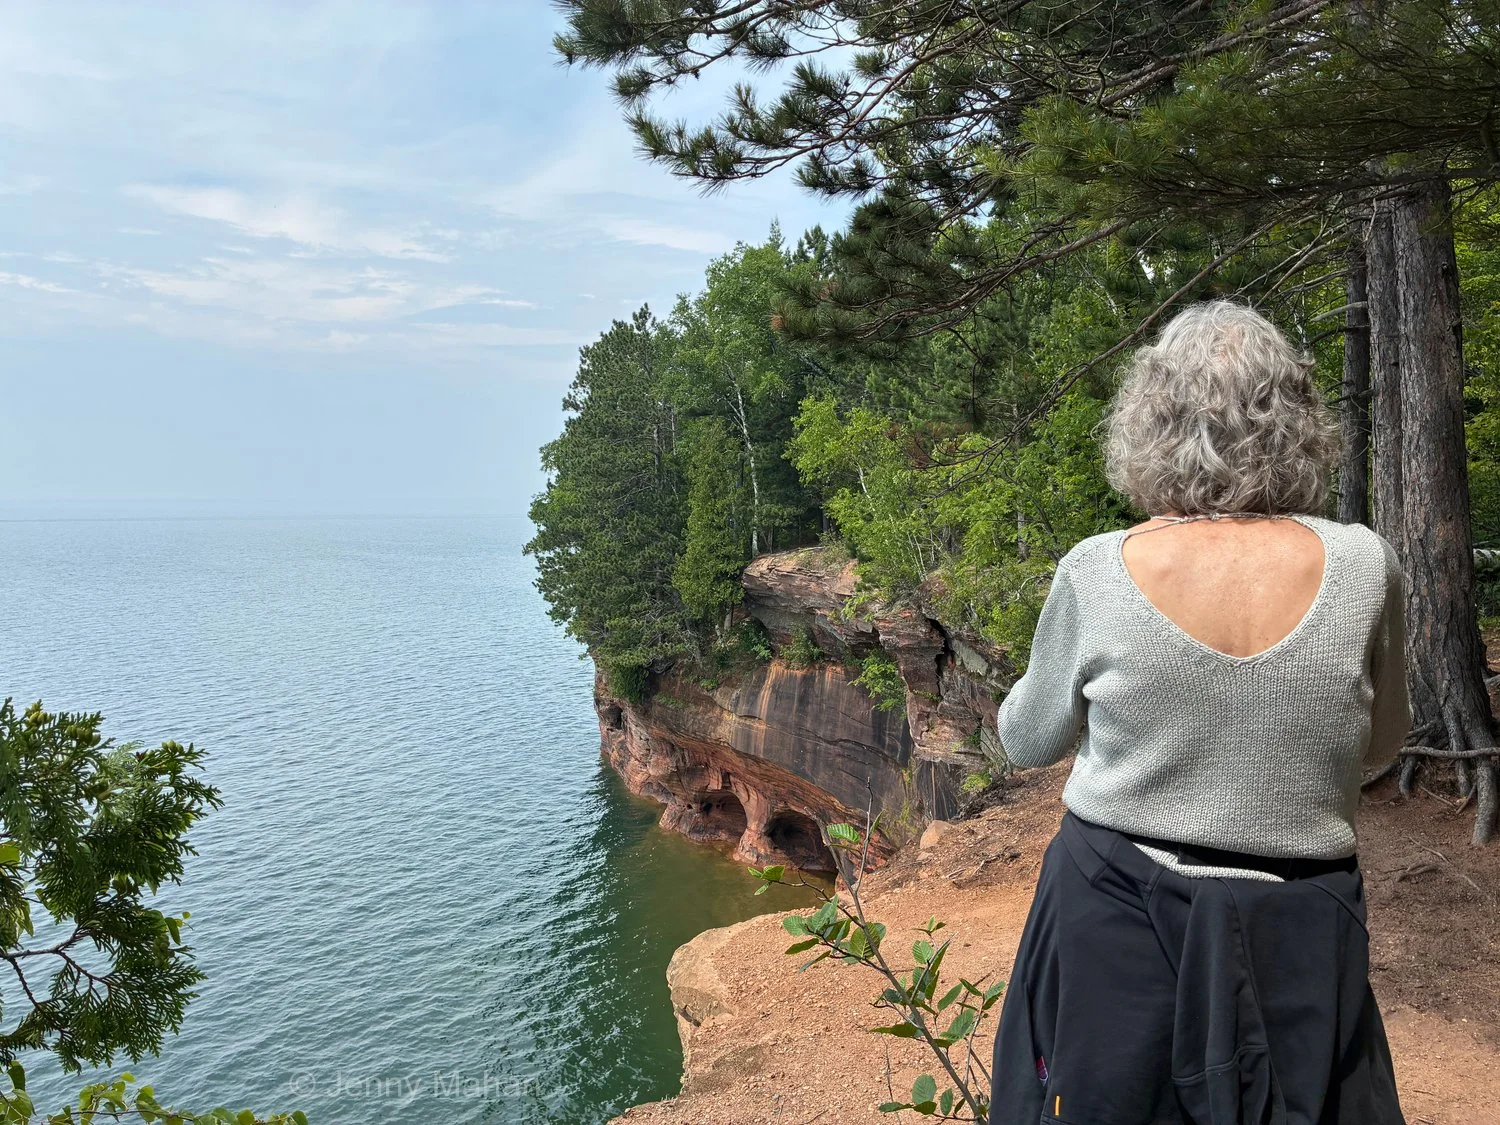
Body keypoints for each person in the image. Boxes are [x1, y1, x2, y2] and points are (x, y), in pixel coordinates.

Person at [988, 300, 1411, 1125]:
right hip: (1300, 933)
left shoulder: (1101, 569)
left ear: (1149, 420)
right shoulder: (1365, 564)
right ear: (1298, 421)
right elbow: (1383, 744)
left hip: (1115, 925)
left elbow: (1024, 739)